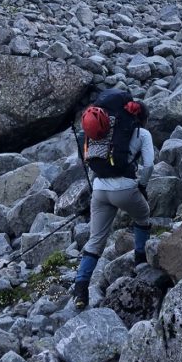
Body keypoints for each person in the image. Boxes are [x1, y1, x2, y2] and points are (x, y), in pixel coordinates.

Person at [72, 99, 154, 310]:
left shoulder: (104, 132)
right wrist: (142, 187)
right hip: (125, 190)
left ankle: (80, 291)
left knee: (95, 240)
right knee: (143, 217)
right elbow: (149, 165)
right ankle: (141, 260)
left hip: (99, 190)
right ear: (143, 119)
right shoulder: (142, 134)